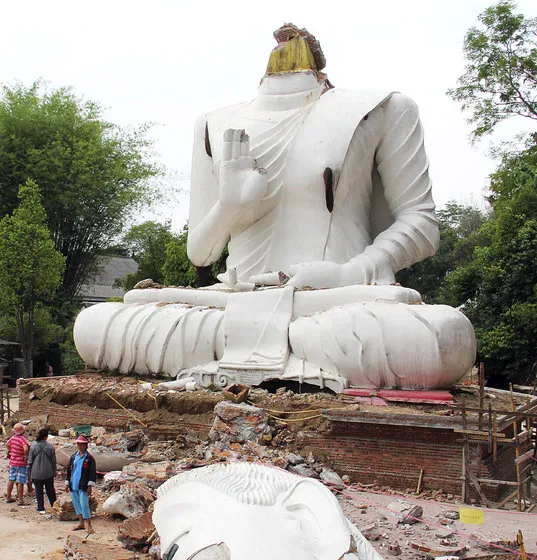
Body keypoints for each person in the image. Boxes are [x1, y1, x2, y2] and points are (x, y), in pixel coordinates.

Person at [73, 24, 476, 391]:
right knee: (96, 325)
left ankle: (258, 351)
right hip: (232, 300)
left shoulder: (384, 108)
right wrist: (230, 207)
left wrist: (348, 272)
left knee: (434, 335)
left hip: (337, 301)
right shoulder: (215, 123)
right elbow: (201, 252)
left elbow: (421, 223)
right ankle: (292, 355)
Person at [65, 434, 96, 534]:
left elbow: (92, 473)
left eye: (82, 445)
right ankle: (81, 523)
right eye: (78, 444)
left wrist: (90, 486)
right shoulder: (74, 457)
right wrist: (67, 483)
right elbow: (69, 471)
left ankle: (89, 525)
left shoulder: (89, 459)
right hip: (73, 484)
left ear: (86, 445)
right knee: (77, 504)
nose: (80, 446)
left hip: (83, 485)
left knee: (84, 505)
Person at [28, 428, 57, 513]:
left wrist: (30, 473)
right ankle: (54, 505)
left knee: (38, 490)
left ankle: (40, 507)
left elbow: (30, 461)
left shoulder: (33, 446)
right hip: (48, 472)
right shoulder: (50, 447)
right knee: (50, 490)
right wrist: (54, 471)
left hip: (36, 472)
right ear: (46, 436)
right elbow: (53, 461)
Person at [6, 423, 31, 505]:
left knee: (11, 479)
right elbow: (26, 449)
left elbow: (7, 444)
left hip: (12, 462)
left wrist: (11, 451)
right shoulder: (23, 439)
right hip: (21, 463)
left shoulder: (12, 438)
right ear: (23, 431)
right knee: (21, 481)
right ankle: (20, 500)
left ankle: (8, 497)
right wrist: (25, 455)